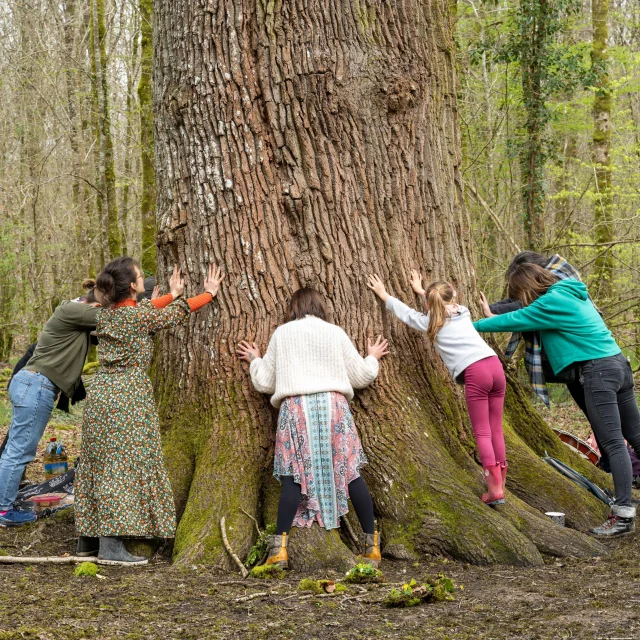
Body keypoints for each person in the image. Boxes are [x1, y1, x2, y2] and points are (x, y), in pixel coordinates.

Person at [74, 259, 224, 564]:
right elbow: (174, 314)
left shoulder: (106, 315)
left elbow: (149, 309)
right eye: (141, 277)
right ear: (132, 286)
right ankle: (111, 546)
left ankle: (87, 539)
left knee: (99, 461)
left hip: (101, 395)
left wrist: (171, 292)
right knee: (121, 465)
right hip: (125, 397)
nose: (144, 279)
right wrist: (208, 293)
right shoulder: (134, 317)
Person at [474, 263, 640, 537]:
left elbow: (517, 318)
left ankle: (622, 515)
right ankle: (624, 510)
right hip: (618, 364)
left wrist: (471, 325)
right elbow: (522, 313)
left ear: (526, 289)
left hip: (598, 372)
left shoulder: (550, 302)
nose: (521, 300)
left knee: (612, 443)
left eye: (520, 294)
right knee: (635, 434)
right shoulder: (571, 291)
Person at [237, 288, 389, 568]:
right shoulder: (335, 332)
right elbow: (362, 375)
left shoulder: (282, 334)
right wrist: (373, 357)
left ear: (292, 309)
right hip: (334, 408)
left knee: (294, 477)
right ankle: (372, 546)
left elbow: (264, 382)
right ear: (320, 307)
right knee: (350, 472)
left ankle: (279, 550)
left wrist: (255, 360)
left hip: (296, 409)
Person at [367, 272, 509, 506]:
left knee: (482, 431)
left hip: (476, 372)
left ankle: (494, 490)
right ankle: (501, 481)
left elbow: (406, 313)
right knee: (496, 428)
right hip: (494, 365)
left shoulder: (430, 322)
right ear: (453, 297)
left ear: (428, 304)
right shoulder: (463, 311)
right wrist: (423, 290)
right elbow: (442, 301)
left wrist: (384, 295)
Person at [481, 251, 613, 473]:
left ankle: (618, 467)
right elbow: (516, 303)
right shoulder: (554, 278)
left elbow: (522, 309)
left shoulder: (557, 288)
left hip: (590, 364)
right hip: (578, 364)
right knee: (599, 417)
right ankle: (614, 465)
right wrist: (491, 308)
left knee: (604, 419)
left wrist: (484, 315)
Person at [0, 281, 100, 527]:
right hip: (36, 386)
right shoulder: (71, 310)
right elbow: (120, 318)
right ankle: (3, 510)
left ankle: (3, 504)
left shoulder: (78, 320)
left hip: (32, 384)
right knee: (20, 451)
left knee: (15, 447)